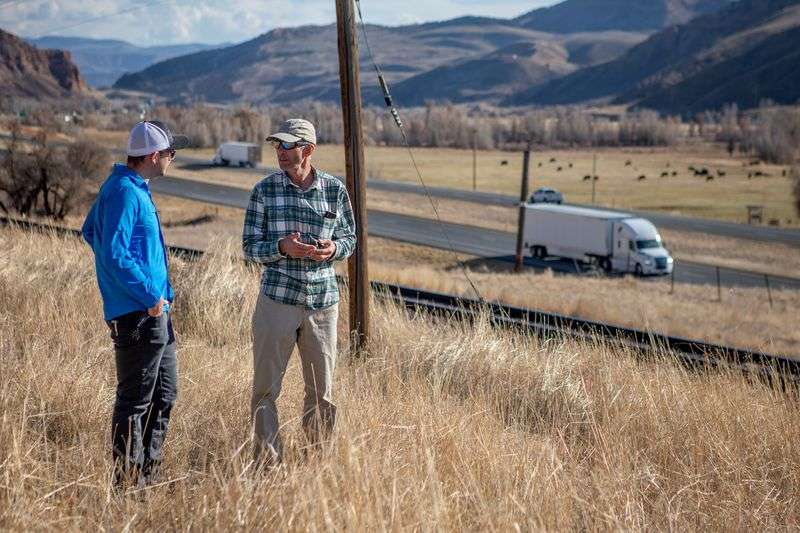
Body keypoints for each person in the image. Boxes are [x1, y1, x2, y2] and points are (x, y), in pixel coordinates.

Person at [243, 118, 356, 465]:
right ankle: (267, 463)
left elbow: (350, 239)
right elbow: (249, 247)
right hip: (277, 301)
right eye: (277, 145)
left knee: (322, 393)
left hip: (322, 305)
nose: (279, 151)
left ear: (308, 150)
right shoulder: (264, 191)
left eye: (287, 145)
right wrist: (281, 247)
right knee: (265, 390)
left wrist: (332, 250)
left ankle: (316, 465)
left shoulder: (335, 190)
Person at [82, 120, 188, 488]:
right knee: (135, 402)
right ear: (154, 156)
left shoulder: (130, 187)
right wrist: (146, 295)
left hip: (155, 313)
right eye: (170, 154)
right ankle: (128, 486)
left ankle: (146, 474)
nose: (172, 159)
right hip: (141, 315)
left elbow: (90, 231)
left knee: (165, 393)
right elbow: (111, 249)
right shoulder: (125, 192)